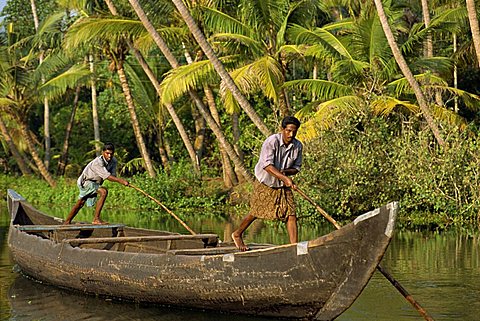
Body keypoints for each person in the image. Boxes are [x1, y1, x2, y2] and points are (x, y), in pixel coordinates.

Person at [232, 116, 303, 251]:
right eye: (288, 131)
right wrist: (284, 178)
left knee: (291, 214)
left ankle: (294, 248)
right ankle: (237, 234)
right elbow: (267, 166)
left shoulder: (298, 146)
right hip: (266, 181)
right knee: (256, 212)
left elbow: (297, 168)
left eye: (294, 131)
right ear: (282, 129)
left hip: (282, 184)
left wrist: (286, 172)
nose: (291, 134)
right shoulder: (271, 142)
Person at [64, 142, 129, 225]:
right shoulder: (98, 162)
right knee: (103, 192)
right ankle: (96, 219)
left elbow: (112, 175)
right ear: (103, 152)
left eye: (111, 154)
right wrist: (121, 181)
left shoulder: (113, 161)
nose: (109, 156)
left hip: (95, 183)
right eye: (107, 153)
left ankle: (67, 222)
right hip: (86, 181)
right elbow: (107, 176)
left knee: (81, 202)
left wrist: (122, 181)